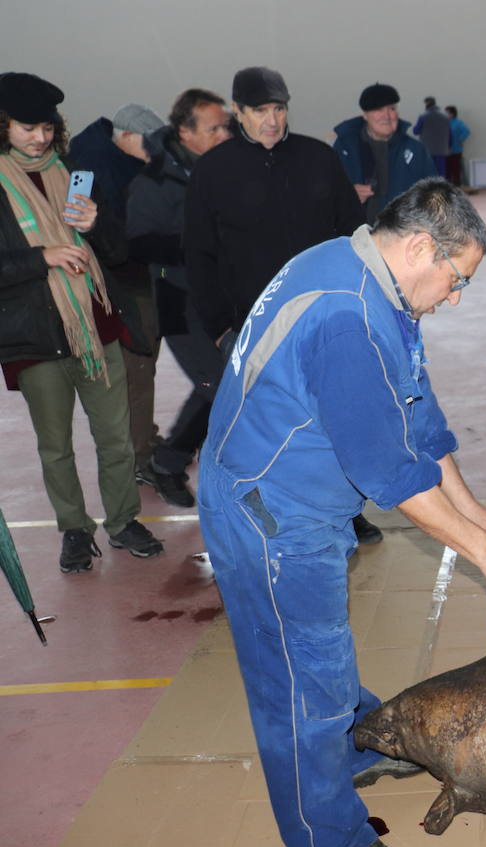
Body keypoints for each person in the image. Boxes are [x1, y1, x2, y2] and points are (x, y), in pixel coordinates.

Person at [199, 178, 486, 847]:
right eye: (457, 280)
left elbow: (415, 416)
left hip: (298, 499)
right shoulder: (350, 314)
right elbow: (391, 473)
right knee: (302, 681)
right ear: (422, 245)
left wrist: (479, 513)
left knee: (319, 651)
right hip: (269, 514)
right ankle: (331, 846)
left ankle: (358, 745)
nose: (455, 298)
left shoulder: (365, 272)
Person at [184, 66, 381, 545]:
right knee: (272, 423)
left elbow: (352, 234)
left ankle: (346, 510)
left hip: (322, 319)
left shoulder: (318, 158)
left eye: (278, 108)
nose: (271, 120)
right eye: (259, 111)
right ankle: (271, 512)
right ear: (238, 112)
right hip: (251, 325)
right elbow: (199, 255)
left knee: (335, 416)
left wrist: (355, 306)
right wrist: (218, 327)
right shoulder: (212, 170)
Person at [0, 72, 164, 572]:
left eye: (47, 127)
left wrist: (98, 224)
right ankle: (74, 530)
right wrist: (41, 256)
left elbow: (115, 251)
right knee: (55, 447)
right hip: (34, 337)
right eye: (28, 128)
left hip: (96, 325)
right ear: (3, 126)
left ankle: (123, 521)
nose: (40, 138)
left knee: (115, 437)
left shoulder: (72, 170)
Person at [125, 88, 232, 508]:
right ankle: (168, 463)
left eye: (226, 125)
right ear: (185, 133)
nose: (224, 134)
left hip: (223, 297)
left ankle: (183, 460)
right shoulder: (152, 182)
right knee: (220, 384)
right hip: (177, 300)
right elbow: (140, 244)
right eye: (215, 128)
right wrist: (201, 244)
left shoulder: (224, 171)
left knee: (233, 382)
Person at [69, 102, 166, 473]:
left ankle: (144, 437)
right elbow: (112, 234)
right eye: (148, 145)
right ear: (125, 136)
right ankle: (139, 457)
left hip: (136, 277)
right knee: (136, 371)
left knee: (142, 369)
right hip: (123, 283)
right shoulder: (98, 166)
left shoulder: (111, 157)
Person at [333, 83, 436, 223]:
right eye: (378, 109)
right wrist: (348, 194)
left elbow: (435, 194)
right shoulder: (345, 147)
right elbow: (328, 191)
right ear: (365, 115)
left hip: (402, 234)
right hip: (356, 235)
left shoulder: (415, 150)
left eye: (392, 109)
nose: (387, 116)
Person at [412, 95, 449, 176]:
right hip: (441, 149)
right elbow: (450, 133)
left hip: (427, 149)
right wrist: (449, 146)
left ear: (426, 104)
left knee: (427, 172)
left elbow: (416, 131)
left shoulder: (423, 116)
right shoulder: (445, 117)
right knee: (440, 172)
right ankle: (441, 187)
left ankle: (429, 188)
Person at [443, 105, 470, 185]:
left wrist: (460, 140)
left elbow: (466, 131)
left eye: (447, 113)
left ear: (452, 114)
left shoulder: (458, 123)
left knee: (456, 170)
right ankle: (447, 186)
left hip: (456, 150)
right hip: (446, 151)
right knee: (447, 170)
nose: (445, 114)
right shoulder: (445, 123)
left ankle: (457, 186)